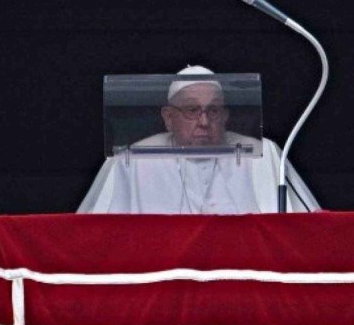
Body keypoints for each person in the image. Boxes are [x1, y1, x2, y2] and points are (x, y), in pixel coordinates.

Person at [77, 66, 320, 214]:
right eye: (191, 110)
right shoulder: (130, 159)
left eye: (213, 111)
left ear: (225, 116)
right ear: (169, 117)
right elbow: (93, 234)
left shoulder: (264, 153)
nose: (204, 121)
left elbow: (307, 228)